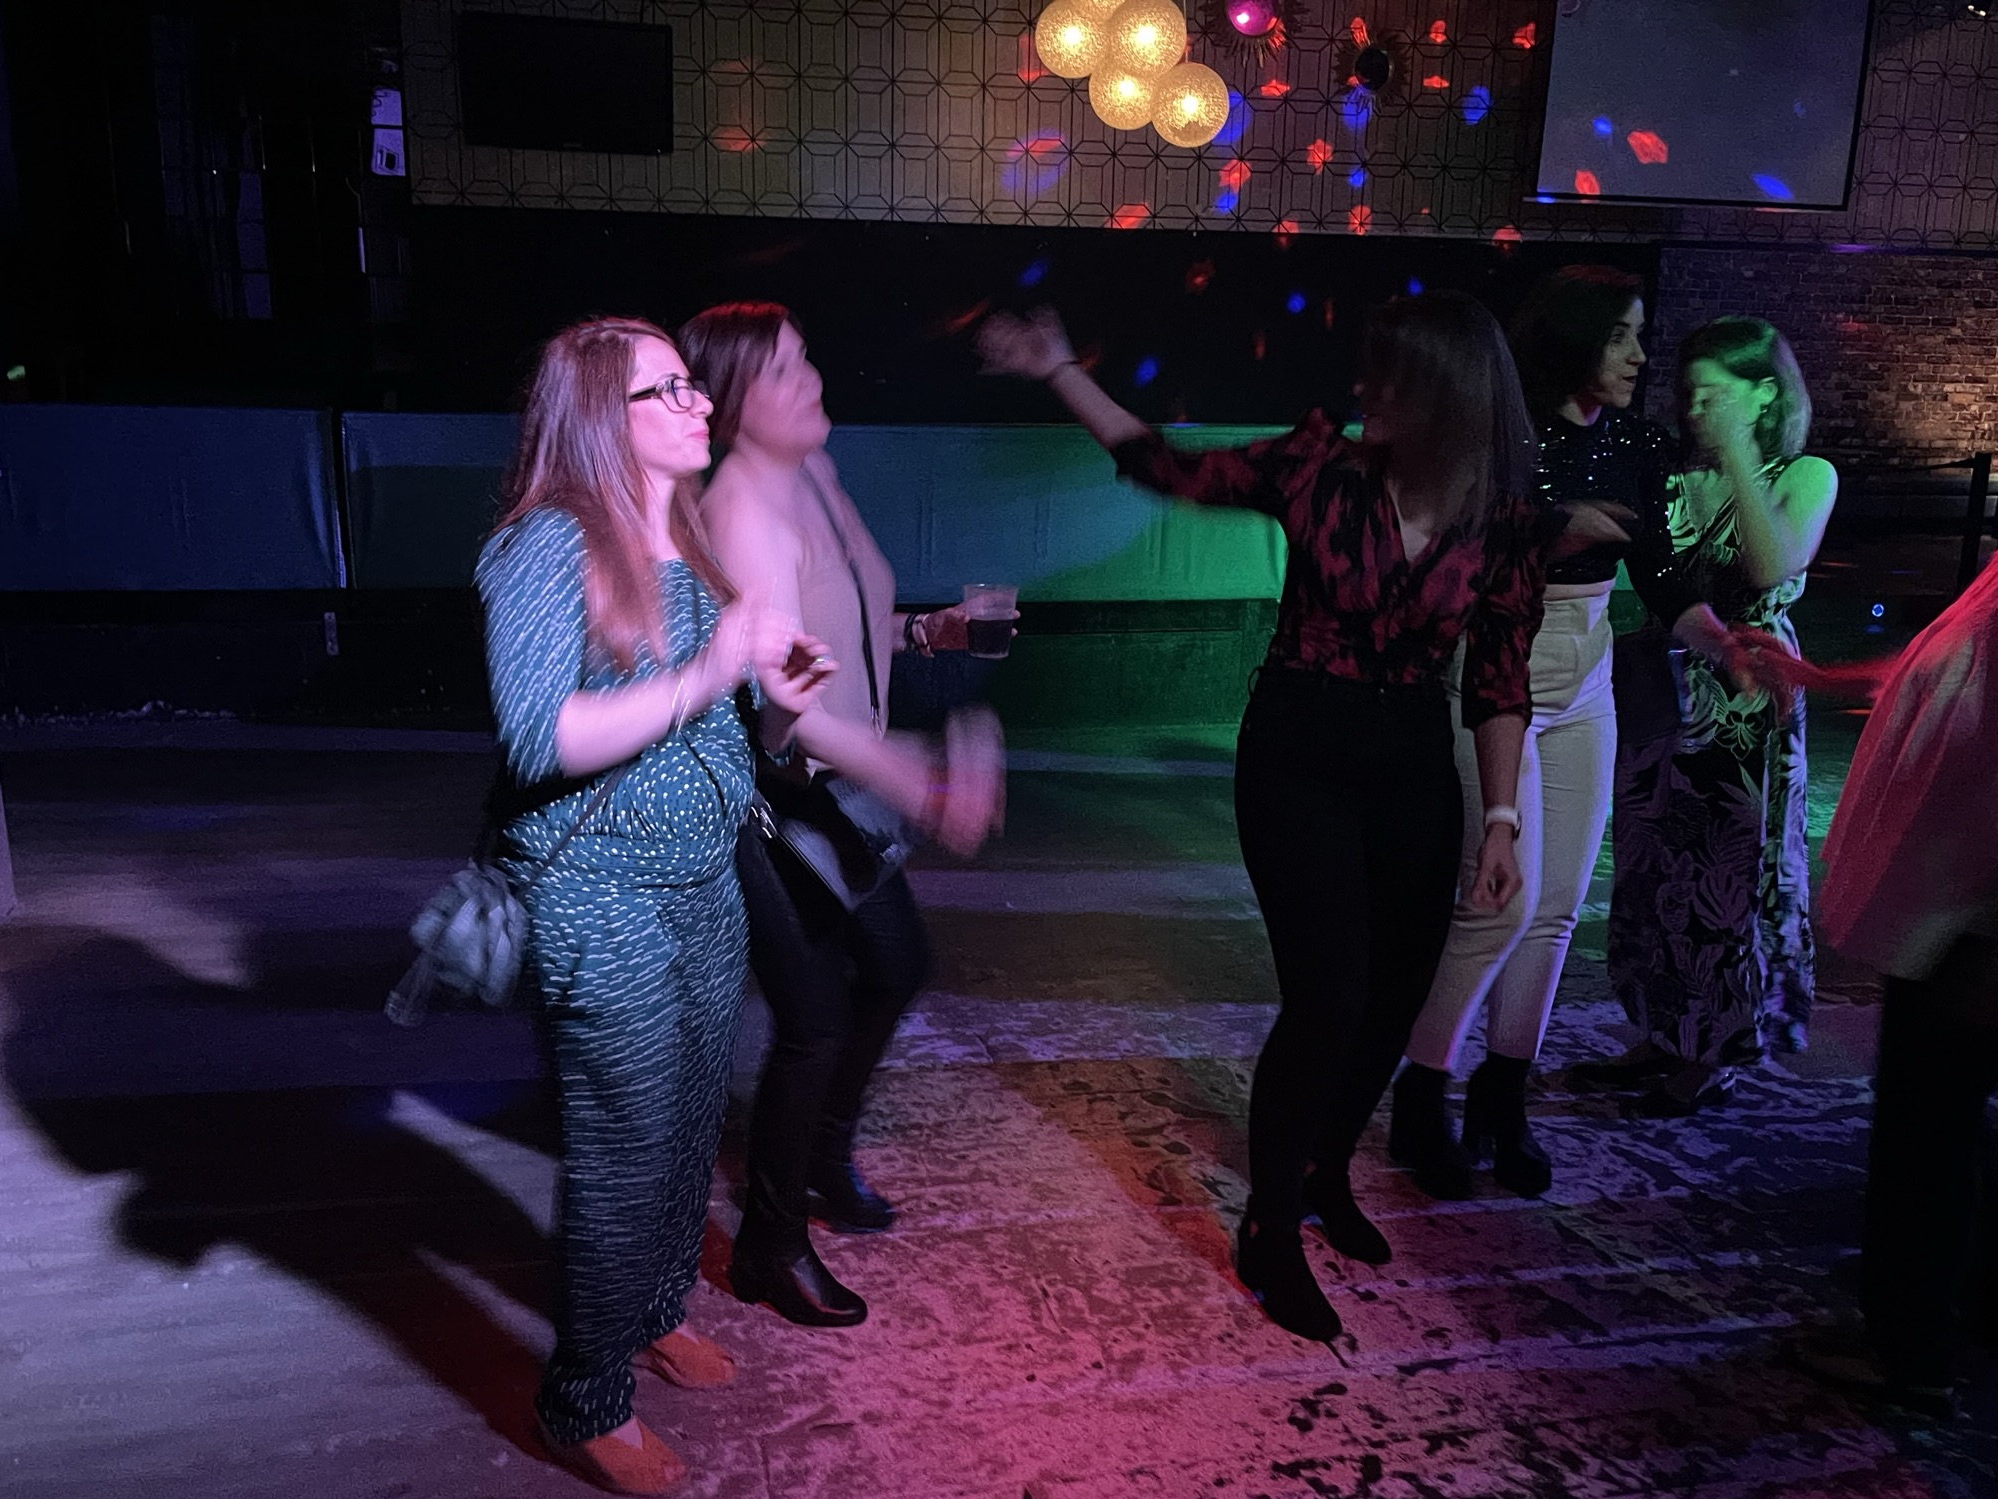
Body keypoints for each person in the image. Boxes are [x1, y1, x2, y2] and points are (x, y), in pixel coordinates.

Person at [977, 294, 1548, 1343]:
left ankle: (1325, 1169)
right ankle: (1269, 1224)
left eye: (1385, 376)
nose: (1362, 389)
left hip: (1412, 762)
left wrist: (1503, 820)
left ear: (1442, 396)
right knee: (1328, 997)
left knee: (1393, 1001)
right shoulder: (1318, 466)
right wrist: (1059, 368)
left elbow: (1499, 680)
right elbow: (1168, 468)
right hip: (1298, 754)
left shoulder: (1504, 518)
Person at [477, 317, 833, 1496]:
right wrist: (708, 672)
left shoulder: (680, 539)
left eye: (693, 384)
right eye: (669, 389)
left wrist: (778, 700)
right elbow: (541, 738)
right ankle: (582, 1398)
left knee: (686, 1129)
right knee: (623, 1153)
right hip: (600, 895)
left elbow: (727, 735)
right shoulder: (545, 544)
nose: (700, 403)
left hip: (703, 881)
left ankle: (654, 1310)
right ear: (598, 415)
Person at [680, 302, 1005, 1330]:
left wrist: (927, 631)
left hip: (837, 790)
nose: (811, 379)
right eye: (782, 372)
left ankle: (820, 1158)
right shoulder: (744, 517)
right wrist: (923, 783)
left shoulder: (811, 471)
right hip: (774, 796)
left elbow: (844, 623)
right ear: (734, 405)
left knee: (896, 966)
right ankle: (769, 1247)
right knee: (814, 1016)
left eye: (806, 357)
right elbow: (791, 713)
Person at [1387, 266, 1716, 1198]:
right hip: (1499, 665)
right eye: (1621, 335)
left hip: (1590, 668)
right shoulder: (1503, 435)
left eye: (1640, 334)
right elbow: (1446, 546)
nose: (1640, 355)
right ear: (1574, 338)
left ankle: (1504, 1095)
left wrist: (1730, 646)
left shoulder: (1636, 443)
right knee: (1500, 900)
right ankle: (1421, 1092)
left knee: (1562, 901)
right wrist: (1547, 530)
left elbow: (1661, 576)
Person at [1732, 563, 1998, 1415]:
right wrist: (1823, 677)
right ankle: (1941, 1323)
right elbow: (1951, 669)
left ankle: (1911, 1349)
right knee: (1938, 1123)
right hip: (1955, 907)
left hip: (1969, 914)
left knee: (1930, 1128)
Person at [1602, 317, 1838, 1116]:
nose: (1697, 407)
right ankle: (1662, 1030)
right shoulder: (1668, 472)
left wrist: (1737, 449)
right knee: (1649, 866)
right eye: (1691, 393)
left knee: (1728, 876)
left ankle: (1718, 1049)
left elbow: (1771, 563)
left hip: (1746, 695)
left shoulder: (1805, 476)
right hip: (1658, 679)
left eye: (1716, 394)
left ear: (1765, 393)